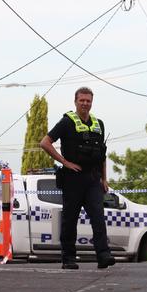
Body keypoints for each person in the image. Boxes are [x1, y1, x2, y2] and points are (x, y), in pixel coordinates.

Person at [40, 86, 115, 270]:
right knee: (70, 220)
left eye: (88, 100)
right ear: (75, 101)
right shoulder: (66, 122)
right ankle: (68, 258)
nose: (85, 103)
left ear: (92, 102)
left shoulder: (99, 124)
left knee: (98, 217)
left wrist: (104, 179)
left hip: (93, 179)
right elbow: (45, 142)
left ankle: (103, 256)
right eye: (82, 100)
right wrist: (64, 162)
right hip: (73, 178)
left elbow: (102, 155)